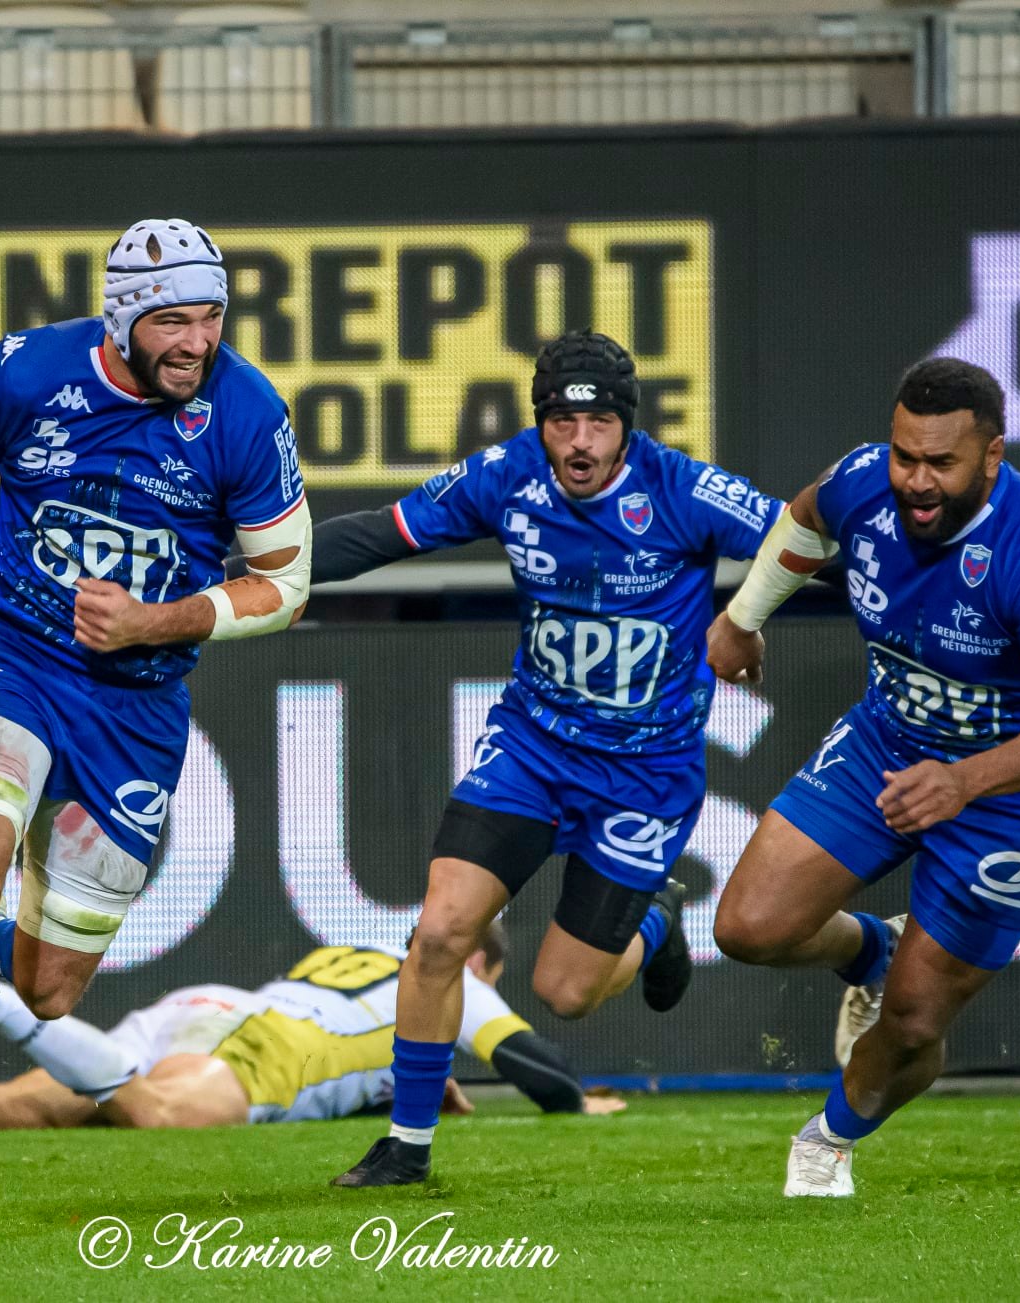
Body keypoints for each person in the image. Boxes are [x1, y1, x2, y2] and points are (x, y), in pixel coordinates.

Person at [0, 218, 312, 1231]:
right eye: (173, 318)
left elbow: (286, 584)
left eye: (211, 316)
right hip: (10, 655)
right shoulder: (23, 373)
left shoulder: (249, 413)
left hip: (135, 706)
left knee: (50, 990)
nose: (196, 340)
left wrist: (156, 621)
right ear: (124, 314)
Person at [311, 329, 784, 1188]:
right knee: (441, 930)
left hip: (646, 771)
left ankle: (656, 919)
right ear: (540, 424)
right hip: (533, 746)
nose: (579, 442)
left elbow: (802, 541)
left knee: (565, 990)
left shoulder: (685, 488)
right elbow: (386, 532)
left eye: (599, 421)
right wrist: (247, 573)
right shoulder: (508, 473)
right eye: (561, 423)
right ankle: (408, 1147)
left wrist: (745, 615)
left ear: (627, 426)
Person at [704, 358, 1020, 1198]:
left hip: (1011, 795)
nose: (916, 482)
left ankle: (827, 1140)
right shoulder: (866, 480)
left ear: (992, 457)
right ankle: (871, 947)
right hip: (887, 743)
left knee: (915, 1018)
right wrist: (744, 616)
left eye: (942, 464)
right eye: (907, 456)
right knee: (747, 927)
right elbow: (805, 519)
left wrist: (967, 781)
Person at [0, 922, 620, 1136]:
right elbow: (533, 1063)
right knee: (155, 1116)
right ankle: (3, 1002)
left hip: (218, 1009)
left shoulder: (365, 948)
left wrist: (407, 1085)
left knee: (14, 1110)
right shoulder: (457, 977)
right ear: (484, 961)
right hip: (274, 1050)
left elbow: (372, 1048)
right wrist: (582, 1104)